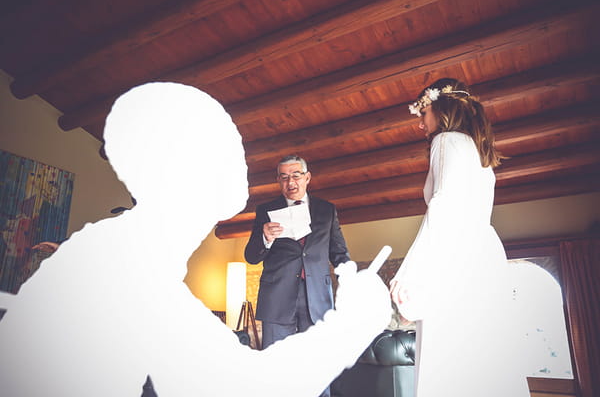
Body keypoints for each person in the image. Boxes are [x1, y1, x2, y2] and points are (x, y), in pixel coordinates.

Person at [0, 82, 391, 397]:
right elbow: (254, 382)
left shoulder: (117, 248)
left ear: (307, 178)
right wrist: (356, 322)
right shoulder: (141, 272)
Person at [389, 78, 530, 396]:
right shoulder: (477, 152)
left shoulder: (447, 141)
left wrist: (408, 272)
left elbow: (442, 206)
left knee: (450, 355)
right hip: (482, 254)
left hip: (455, 256)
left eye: (422, 114)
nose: (420, 124)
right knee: (481, 354)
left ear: (440, 109)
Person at [244, 155, 349, 396]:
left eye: (295, 175)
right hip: (277, 299)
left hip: (317, 299)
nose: (290, 182)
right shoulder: (265, 210)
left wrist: (350, 280)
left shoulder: (326, 210)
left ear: (307, 177)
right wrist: (265, 238)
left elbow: (339, 252)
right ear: (278, 181)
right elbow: (251, 256)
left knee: (318, 367)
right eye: (284, 177)